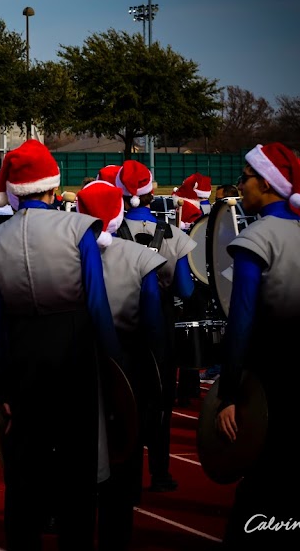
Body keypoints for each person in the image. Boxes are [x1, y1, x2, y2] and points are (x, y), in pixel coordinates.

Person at [0, 140, 121, 549]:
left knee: (23, 472)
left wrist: (1, 384)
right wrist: (114, 369)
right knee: (77, 468)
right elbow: (97, 304)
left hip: (21, 358)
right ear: (53, 189)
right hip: (74, 354)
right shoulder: (80, 228)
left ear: (15, 193)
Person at [217, 143, 300, 549]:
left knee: (262, 492)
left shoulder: (255, 238)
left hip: (273, 385)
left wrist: (228, 394)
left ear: (268, 183)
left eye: (246, 177)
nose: (241, 185)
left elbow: (241, 325)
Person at [75, 180, 167, 550]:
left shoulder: (68, 252)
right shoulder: (141, 257)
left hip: (77, 359)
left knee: (78, 455)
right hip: (127, 362)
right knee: (124, 450)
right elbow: (154, 327)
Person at [112, 159, 195, 493]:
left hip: (121, 322)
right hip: (161, 323)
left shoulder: (113, 234)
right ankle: (160, 471)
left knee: (123, 400)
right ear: (151, 193)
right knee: (160, 400)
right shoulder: (175, 234)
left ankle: (126, 474)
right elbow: (186, 290)